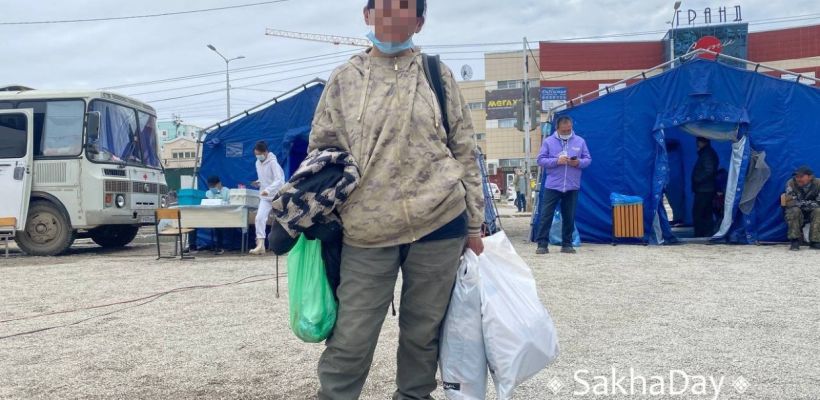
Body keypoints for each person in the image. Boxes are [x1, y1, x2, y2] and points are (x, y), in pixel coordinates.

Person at [308, 1, 485, 398]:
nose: (393, 16)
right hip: (366, 229)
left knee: (423, 333)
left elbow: (464, 150)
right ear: (367, 15)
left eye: (405, 9)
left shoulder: (437, 75)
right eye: (384, 6)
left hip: (440, 221)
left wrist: (474, 224)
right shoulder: (343, 80)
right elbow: (321, 152)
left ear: (419, 23)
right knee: (352, 334)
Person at [535, 116, 591, 254]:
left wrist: (578, 162)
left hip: (572, 186)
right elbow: (540, 160)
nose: (567, 131)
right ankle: (542, 244)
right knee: (546, 215)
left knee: (569, 216)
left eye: (569, 129)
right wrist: (556, 161)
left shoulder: (580, 141)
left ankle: (567, 244)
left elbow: (588, 159)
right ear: (557, 128)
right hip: (553, 185)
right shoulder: (548, 142)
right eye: (564, 130)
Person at [250, 141, 285, 255]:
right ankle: (260, 245)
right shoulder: (257, 163)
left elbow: (279, 180)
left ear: (265, 152)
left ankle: (286, 245)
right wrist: (259, 182)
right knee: (259, 218)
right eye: (256, 154)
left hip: (277, 196)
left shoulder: (273, 163)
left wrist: (268, 190)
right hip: (265, 197)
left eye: (259, 154)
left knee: (283, 220)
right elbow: (265, 178)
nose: (258, 156)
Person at [783, 166, 820, 251]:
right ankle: (794, 240)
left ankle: (815, 241)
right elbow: (790, 202)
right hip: (797, 210)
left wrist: (801, 203)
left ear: (810, 177)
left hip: (813, 210)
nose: (798, 179)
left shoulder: (818, 184)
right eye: (796, 177)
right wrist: (809, 203)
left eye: (801, 176)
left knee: (819, 211)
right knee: (793, 210)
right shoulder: (791, 183)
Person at [692, 137, 719, 237]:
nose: (697, 143)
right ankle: (705, 233)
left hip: (704, 189)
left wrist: (697, 179)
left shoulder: (707, 154)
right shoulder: (706, 153)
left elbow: (709, 170)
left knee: (700, 213)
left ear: (702, 142)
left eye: (698, 141)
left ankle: (701, 234)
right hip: (706, 188)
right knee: (705, 213)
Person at [205, 176, 231, 255]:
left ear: (219, 183)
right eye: (210, 186)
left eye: (214, 186)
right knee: (193, 221)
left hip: (225, 214)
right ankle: (192, 246)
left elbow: (230, 203)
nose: (212, 188)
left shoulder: (227, 191)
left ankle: (220, 247)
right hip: (212, 215)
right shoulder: (208, 192)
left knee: (218, 225)